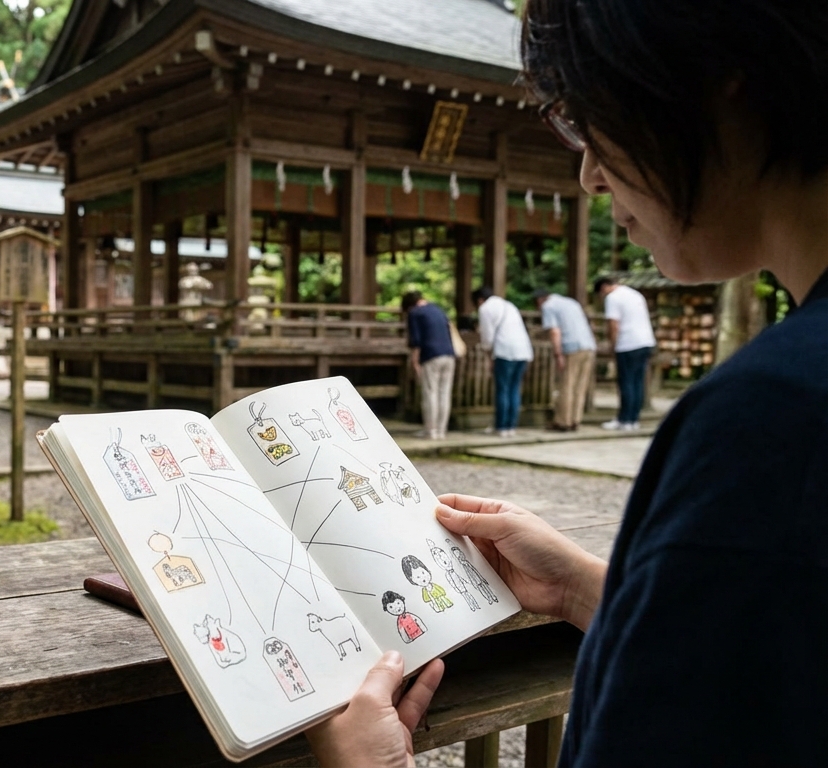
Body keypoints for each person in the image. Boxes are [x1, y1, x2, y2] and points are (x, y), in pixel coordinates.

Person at [305, 0, 828, 766]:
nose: (586, 174)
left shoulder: (776, 416)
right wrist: (591, 589)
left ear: (720, 76)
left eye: (585, 118)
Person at [594, 277, 656, 430]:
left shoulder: (613, 298)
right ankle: (634, 419)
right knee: (637, 381)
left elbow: (613, 324)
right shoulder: (635, 294)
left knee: (626, 382)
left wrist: (612, 345)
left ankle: (624, 419)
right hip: (645, 341)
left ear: (604, 288)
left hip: (628, 343)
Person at [472, 286, 532, 437]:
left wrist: (488, 355)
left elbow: (487, 337)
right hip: (523, 350)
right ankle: (511, 426)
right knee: (514, 389)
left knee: (503, 389)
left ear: (479, 299)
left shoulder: (485, 308)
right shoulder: (509, 305)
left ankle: (501, 426)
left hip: (504, 350)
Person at [533, 288, 597, 431]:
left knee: (566, 385)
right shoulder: (571, 302)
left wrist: (557, 354)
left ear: (539, 300)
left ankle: (563, 421)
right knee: (580, 386)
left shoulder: (548, 306)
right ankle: (575, 419)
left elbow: (555, 331)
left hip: (571, 347)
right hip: (588, 346)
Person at [402, 291, 455, 440]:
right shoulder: (438, 310)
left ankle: (430, 430)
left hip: (431, 355)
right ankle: (441, 430)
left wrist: (414, 361)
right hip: (449, 354)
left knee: (430, 393)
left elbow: (416, 341)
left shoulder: (415, 313)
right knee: (444, 393)